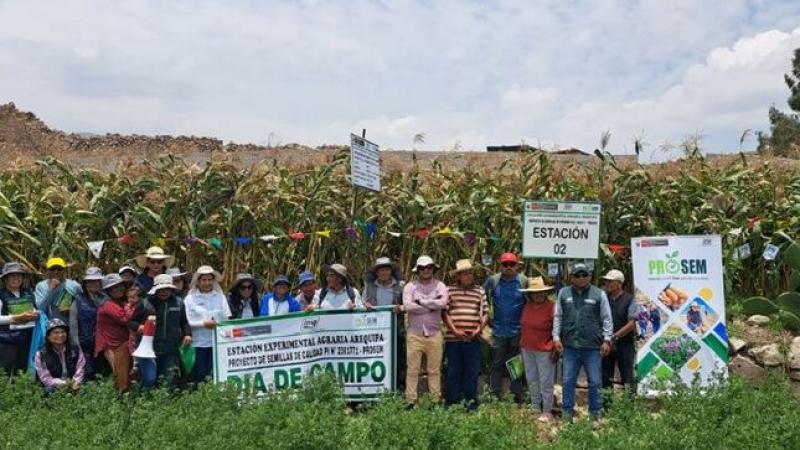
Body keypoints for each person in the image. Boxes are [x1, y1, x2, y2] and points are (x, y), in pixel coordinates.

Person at [553, 263, 613, 422]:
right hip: (570, 346)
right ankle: (567, 414)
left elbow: (607, 318)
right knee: (567, 381)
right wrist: (556, 338)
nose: (581, 278)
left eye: (584, 275)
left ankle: (595, 415)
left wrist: (607, 339)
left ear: (590, 276)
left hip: (592, 347)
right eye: (577, 275)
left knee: (594, 382)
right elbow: (558, 316)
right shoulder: (563, 293)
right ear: (571, 277)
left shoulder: (599, 294)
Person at [128, 274, 192, 388]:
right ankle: (142, 401)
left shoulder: (179, 303)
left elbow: (184, 322)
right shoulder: (145, 303)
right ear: (155, 290)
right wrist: (139, 327)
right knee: (149, 379)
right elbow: (131, 322)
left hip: (170, 349)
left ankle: (165, 403)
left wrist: (187, 334)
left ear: (171, 289)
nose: (164, 292)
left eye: (167, 289)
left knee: (168, 380)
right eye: (161, 289)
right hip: (148, 349)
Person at [402, 255, 448, 406]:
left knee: (434, 370)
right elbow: (408, 307)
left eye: (429, 267)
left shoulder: (440, 285)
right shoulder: (410, 287)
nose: (426, 270)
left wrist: (421, 302)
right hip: (415, 334)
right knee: (412, 369)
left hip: (434, 334)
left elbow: (443, 303)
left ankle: (435, 400)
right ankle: (411, 401)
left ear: (433, 269)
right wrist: (431, 305)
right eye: (423, 268)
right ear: (418, 270)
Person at [443, 259, 487, 410]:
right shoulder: (449, 290)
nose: (468, 276)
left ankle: (471, 403)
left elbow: (485, 313)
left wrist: (478, 330)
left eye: (470, 273)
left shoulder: (480, 291)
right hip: (453, 338)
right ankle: (452, 403)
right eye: (464, 274)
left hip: (473, 338)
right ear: (458, 276)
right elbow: (445, 312)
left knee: (472, 371)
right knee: (453, 371)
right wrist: (454, 330)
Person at [484, 252, 527, 402]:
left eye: (511, 264)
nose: (508, 267)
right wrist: (487, 320)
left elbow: (530, 302)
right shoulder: (493, 281)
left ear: (517, 266)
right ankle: (495, 394)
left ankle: (516, 395)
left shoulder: (523, 281)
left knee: (515, 363)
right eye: (505, 264)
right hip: (498, 330)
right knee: (497, 362)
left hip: (517, 330)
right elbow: (483, 299)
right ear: (500, 265)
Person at [362, 257, 406, 389]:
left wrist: (401, 308)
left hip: (395, 330)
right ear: (376, 272)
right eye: (381, 270)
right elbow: (362, 303)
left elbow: (407, 304)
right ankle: (374, 388)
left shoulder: (401, 286)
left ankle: (396, 388)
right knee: (375, 359)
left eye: (386, 269)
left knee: (397, 360)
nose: (384, 273)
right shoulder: (368, 287)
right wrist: (366, 305)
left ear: (391, 271)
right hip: (374, 331)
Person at [519, 276, 557, 422]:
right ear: (530, 294)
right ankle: (535, 405)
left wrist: (556, 347)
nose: (538, 294)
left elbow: (557, 328)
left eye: (541, 292)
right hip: (527, 348)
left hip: (545, 349)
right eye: (535, 292)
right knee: (531, 379)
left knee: (546, 381)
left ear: (545, 292)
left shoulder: (551, 306)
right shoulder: (527, 306)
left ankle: (547, 410)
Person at [184, 265, 231, 382]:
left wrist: (218, 324)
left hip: (217, 342)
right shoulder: (189, 299)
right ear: (198, 282)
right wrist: (203, 324)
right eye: (204, 280)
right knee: (200, 374)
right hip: (198, 343)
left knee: (214, 374)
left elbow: (227, 318)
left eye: (210, 280)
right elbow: (186, 320)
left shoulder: (221, 297)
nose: (207, 283)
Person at [601, 269, 639, 397]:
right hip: (606, 344)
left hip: (624, 344)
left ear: (619, 283)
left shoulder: (630, 299)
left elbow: (631, 323)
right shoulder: (603, 299)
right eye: (606, 281)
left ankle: (628, 406)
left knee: (627, 376)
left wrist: (615, 337)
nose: (607, 284)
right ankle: (606, 406)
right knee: (605, 376)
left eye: (610, 281)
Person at [95, 274, 133, 393]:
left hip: (121, 342)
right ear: (108, 291)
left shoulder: (117, 302)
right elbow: (124, 319)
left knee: (125, 372)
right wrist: (130, 306)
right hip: (112, 344)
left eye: (120, 286)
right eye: (113, 288)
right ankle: (122, 400)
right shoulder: (109, 304)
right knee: (120, 374)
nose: (118, 289)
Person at [0, 262, 39, 376]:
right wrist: (15, 318)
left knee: (22, 372)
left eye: (19, 275)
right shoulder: (1, 295)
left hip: (27, 339)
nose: (16, 278)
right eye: (12, 276)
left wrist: (36, 315)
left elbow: (35, 310)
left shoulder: (28, 293)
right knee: (5, 373)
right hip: (7, 341)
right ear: (5, 279)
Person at [69, 267, 107, 380]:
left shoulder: (106, 298)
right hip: (85, 343)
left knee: (101, 372)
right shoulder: (78, 300)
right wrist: (76, 344)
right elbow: (73, 324)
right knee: (86, 372)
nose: (94, 284)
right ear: (85, 284)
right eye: (91, 281)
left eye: (97, 281)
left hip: (103, 343)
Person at [34, 319, 85, 394]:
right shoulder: (41, 354)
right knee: (48, 391)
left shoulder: (75, 349)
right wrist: (66, 384)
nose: (60, 335)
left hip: (74, 384)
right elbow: (46, 378)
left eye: (63, 332)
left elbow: (80, 368)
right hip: (54, 386)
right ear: (48, 336)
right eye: (56, 333)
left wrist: (76, 382)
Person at [34, 257, 81, 323]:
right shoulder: (41, 286)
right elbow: (40, 309)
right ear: (48, 270)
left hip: (68, 327)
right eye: (52, 269)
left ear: (64, 270)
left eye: (59, 269)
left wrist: (71, 310)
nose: (56, 272)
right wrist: (51, 290)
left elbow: (83, 305)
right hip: (48, 328)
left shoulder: (74, 285)